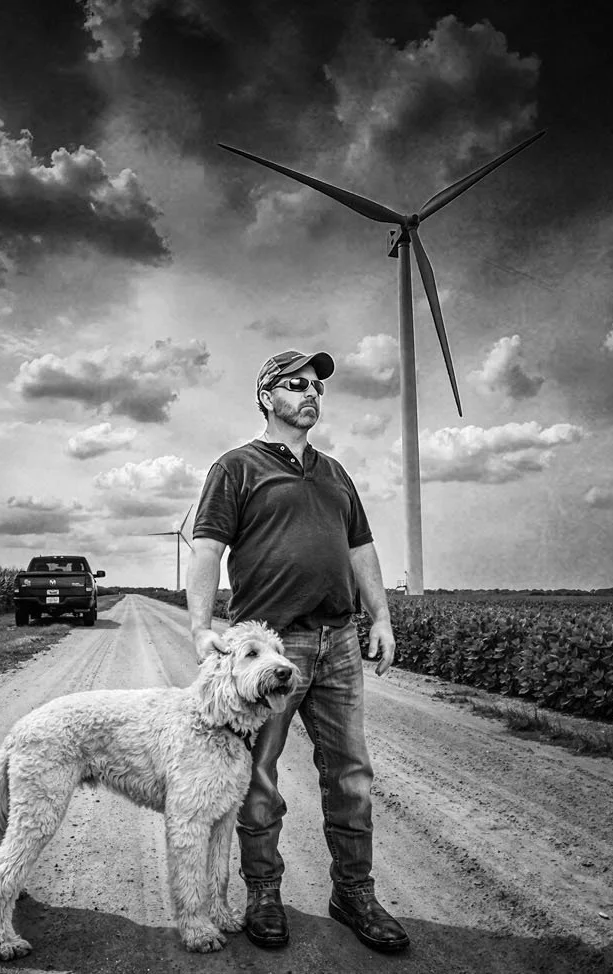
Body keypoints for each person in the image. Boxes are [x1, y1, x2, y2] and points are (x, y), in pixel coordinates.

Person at [185, 348, 409, 954]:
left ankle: (353, 894)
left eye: (316, 386)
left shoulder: (335, 473)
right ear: (266, 397)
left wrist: (381, 617)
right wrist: (202, 628)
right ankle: (263, 894)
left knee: (351, 774)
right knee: (258, 775)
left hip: (339, 640)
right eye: (295, 384)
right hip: (270, 648)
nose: (310, 393)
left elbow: (361, 549)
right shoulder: (237, 467)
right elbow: (206, 548)